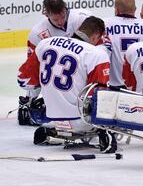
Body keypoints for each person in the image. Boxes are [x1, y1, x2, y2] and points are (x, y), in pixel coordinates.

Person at [17, 16, 117, 153]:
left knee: (39, 102)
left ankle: (55, 130)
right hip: (81, 123)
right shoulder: (97, 54)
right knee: (109, 99)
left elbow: (24, 80)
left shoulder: (45, 43)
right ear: (95, 37)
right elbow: (100, 97)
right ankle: (103, 132)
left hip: (47, 119)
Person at [18, 0, 91, 126]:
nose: (61, 21)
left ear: (65, 8)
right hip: (57, 71)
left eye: (63, 16)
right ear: (46, 14)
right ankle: (28, 102)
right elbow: (33, 68)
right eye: (56, 19)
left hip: (80, 64)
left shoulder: (82, 18)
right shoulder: (37, 33)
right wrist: (29, 99)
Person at [103, 0, 143, 88]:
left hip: (115, 86)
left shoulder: (104, 23)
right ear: (135, 9)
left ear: (116, 10)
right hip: (140, 87)